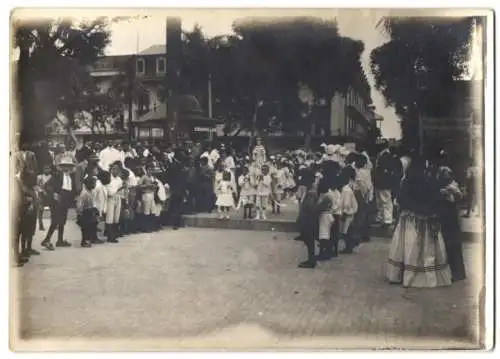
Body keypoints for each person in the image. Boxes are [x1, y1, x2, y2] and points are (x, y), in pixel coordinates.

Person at [386, 156, 452, 288]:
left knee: (409, 247)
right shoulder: (429, 181)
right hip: (426, 218)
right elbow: (434, 198)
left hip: (410, 219)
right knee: (427, 250)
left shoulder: (406, 181)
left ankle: (402, 275)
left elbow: (401, 200)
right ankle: (426, 277)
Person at [41, 156, 76, 250]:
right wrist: (54, 194)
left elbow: (71, 189)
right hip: (57, 200)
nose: (67, 168)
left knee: (62, 221)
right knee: (55, 221)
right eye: (65, 166)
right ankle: (46, 240)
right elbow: (46, 185)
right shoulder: (57, 175)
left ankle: (59, 240)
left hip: (66, 200)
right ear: (61, 167)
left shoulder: (70, 177)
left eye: (69, 166)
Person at [437, 167, 466, 282]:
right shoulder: (443, 188)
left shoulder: (453, 187)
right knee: (448, 246)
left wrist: (452, 191)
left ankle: (457, 272)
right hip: (447, 219)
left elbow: (459, 198)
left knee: (453, 246)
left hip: (451, 220)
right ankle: (452, 271)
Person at [296, 171, 319, 268]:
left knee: (309, 240)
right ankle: (311, 259)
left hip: (308, 218)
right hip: (308, 218)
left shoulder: (311, 192)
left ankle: (311, 260)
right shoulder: (310, 190)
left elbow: (308, 206)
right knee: (308, 240)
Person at [339, 166, 359, 254]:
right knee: (347, 230)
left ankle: (349, 246)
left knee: (346, 231)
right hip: (350, 212)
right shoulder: (349, 187)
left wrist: (344, 213)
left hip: (347, 213)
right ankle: (350, 245)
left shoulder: (346, 189)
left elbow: (346, 203)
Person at [76, 176, 99, 248]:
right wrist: (80, 214)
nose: (94, 185)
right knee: (85, 228)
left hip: (89, 211)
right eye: (92, 183)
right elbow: (79, 205)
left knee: (89, 227)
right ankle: (83, 242)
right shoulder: (84, 193)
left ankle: (87, 240)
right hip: (84, 212)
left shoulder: (91, 192)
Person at [105, 161, 124, 242]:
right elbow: (110, 192)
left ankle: (114, 234)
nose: (115, 171)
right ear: (111, 170)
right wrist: (119, 189)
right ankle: (109, 236)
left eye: (117, 169)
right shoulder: (108, 178)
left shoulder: (119, 179)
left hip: (118, 198)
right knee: (110, 217)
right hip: (110, 199)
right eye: (114, 169)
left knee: (116, 217)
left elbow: (121, 192)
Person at [37, 164, 53, 231]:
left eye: (48, 168)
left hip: (49, 194)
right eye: (45, 169)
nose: (47, 170)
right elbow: (37, 186)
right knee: (40, 209)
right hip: (41, 194)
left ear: (50, 169)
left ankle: (54, 224)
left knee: (53, 209)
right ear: (43, 170)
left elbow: (53, 186)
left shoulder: (52, 177)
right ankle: (41, 225)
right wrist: (42, 191)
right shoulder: (40, 177)